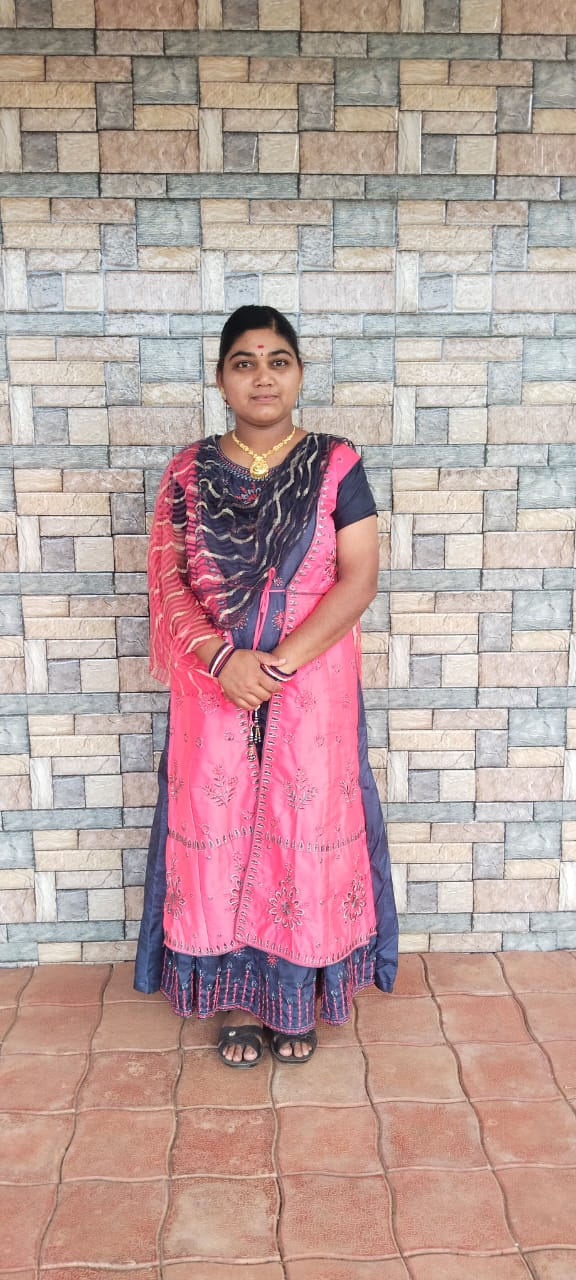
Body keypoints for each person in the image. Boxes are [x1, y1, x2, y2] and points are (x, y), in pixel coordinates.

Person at [134, 305, 398, 1066]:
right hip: (211, 685)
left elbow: (358, 579)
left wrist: (276, 664)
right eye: (244, 362)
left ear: (299, 375)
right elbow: (170, 580)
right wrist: (224, 661)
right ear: (221, 379)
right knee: (216, 833)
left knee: (303, 829)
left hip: (311, 686)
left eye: (278, 360)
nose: (263, 376)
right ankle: (236, 1001)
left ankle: (294, 998)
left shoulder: (336, 463)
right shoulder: (187, 472)